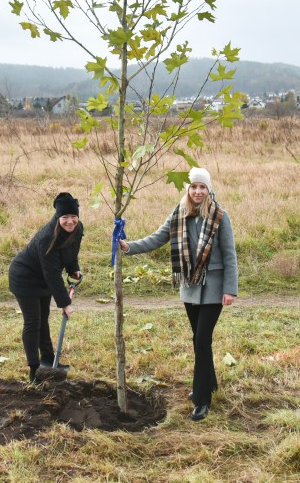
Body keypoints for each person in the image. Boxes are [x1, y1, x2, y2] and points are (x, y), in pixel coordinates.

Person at [119, 168, 238, 421]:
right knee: (199, 338)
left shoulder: (220, 216)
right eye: (193, 187)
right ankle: (211, 383)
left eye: (202, 187)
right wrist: (129, 247)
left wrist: (230, 289)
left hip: (214, 289)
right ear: (188, 190)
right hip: (190, 287)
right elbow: (157, 238)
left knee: (202, 340)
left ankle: (202, 398)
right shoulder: (179, 214)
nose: (197, 191)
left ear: (208, 190)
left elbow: (230, 255)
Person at [9, 192, 83, 382]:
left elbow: (71, 252)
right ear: (57, 217)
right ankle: (34, 371)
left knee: (44, 320)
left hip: (43, 279)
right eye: (65, 217)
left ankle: (49, 361)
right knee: (33, 322)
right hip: (25, 277)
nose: (70, 221)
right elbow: (51, 274)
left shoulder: (78, 229)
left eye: (73, 217)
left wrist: (73, 269)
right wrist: (65, 303)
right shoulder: (46, 238)